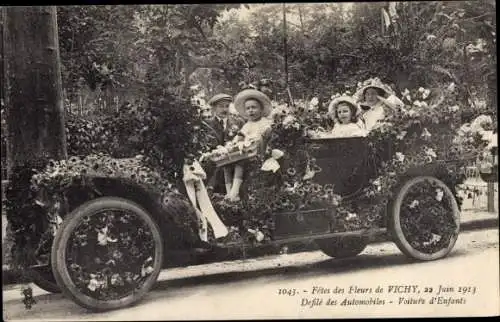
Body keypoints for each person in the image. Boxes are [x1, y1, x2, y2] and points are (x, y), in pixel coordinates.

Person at [224, 89, 273, 202]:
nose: (251, 111)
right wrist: (234, 143)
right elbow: (240, 136)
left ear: (261, 109)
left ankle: (234, 192)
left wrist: (258, 138)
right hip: (246, 151)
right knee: (226, 164)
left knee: (239, 163)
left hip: (257, 152)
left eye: (254, 107)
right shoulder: (247, 124)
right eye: (248, 108)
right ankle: (229, 193)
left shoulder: (264, 123)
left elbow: (265, 136)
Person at [204, 93, 245, 194]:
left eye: (227, 106)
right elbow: (207, 145)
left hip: (235, 160)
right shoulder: (206, 124)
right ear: (214, 108)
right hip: (215, 161)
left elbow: (244, 140)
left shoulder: (238, 122)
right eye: (221, 106)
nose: (224, 109)